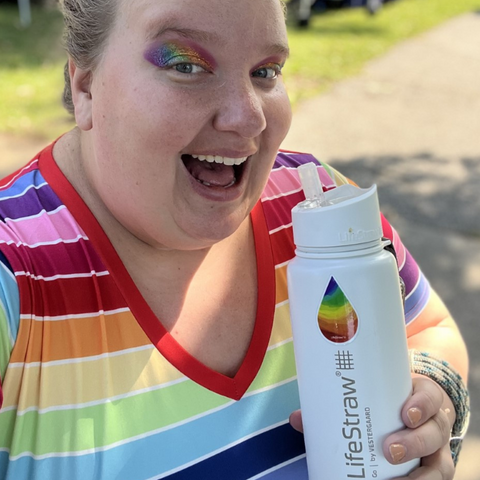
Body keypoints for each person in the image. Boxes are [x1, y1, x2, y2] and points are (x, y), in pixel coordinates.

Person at [0, 0, 469, 478]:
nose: (248, 118)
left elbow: (430, 329)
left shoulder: (318, 207)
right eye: (186, 65)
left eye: (266, 71)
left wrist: (431, 400)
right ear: (86, 88)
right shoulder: (12, 277)